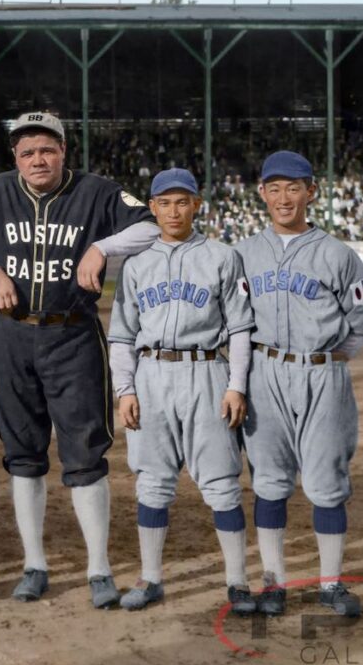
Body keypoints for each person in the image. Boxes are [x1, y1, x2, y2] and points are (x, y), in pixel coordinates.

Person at [0, 111, 158, 608]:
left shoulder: (96, 191)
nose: (37, 159)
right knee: (23, 457)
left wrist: (101, 247)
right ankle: (34, 564)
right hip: (13, 336)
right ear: (15, 158)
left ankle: (99, 569)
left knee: (85, 455)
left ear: (64, 151)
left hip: (74, 336)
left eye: (46, 149)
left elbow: (148, 227)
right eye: (26, 152)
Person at [236, 151, 363, 618]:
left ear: (310, 192)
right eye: (274, 188)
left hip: (322, 373)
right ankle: (274, 582)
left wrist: (328, 361)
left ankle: (331, 584)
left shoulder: (338, 254)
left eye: (293, 187)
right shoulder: (243, 254)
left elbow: (362, 324)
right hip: (263, 372)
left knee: (326, 482)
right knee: (270, 481)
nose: (283, 198)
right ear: (261, 193)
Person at [107, 168, 256, 614]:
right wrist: (124, 390)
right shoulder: (136, 264)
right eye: (165, 203)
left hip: (206, 371)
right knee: (152, 483)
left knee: (221, 483)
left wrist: (236, 386)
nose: (174, 210)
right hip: (151, 375)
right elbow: (121, 335)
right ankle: (151, 578)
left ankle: (238, 582)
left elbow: (242, 329)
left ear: (197, 204)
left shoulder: (222, 257)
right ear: (152, 208)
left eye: (182, 201)